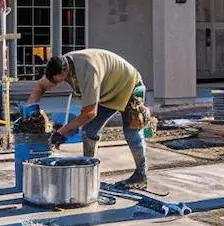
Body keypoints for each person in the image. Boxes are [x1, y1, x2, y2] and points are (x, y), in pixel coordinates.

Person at [26, 49, 150, 189]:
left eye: (57, 81)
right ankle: (89, 173)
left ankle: (141, 175)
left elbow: (89, 113)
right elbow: (41, 86)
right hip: (106, 92)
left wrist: (62, 132)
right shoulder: (60, 64)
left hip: (129, 85)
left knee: (132, 131)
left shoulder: (88, 72)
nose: (56, 84)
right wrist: (30, 111)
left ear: (65, 71)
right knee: (89, 130)